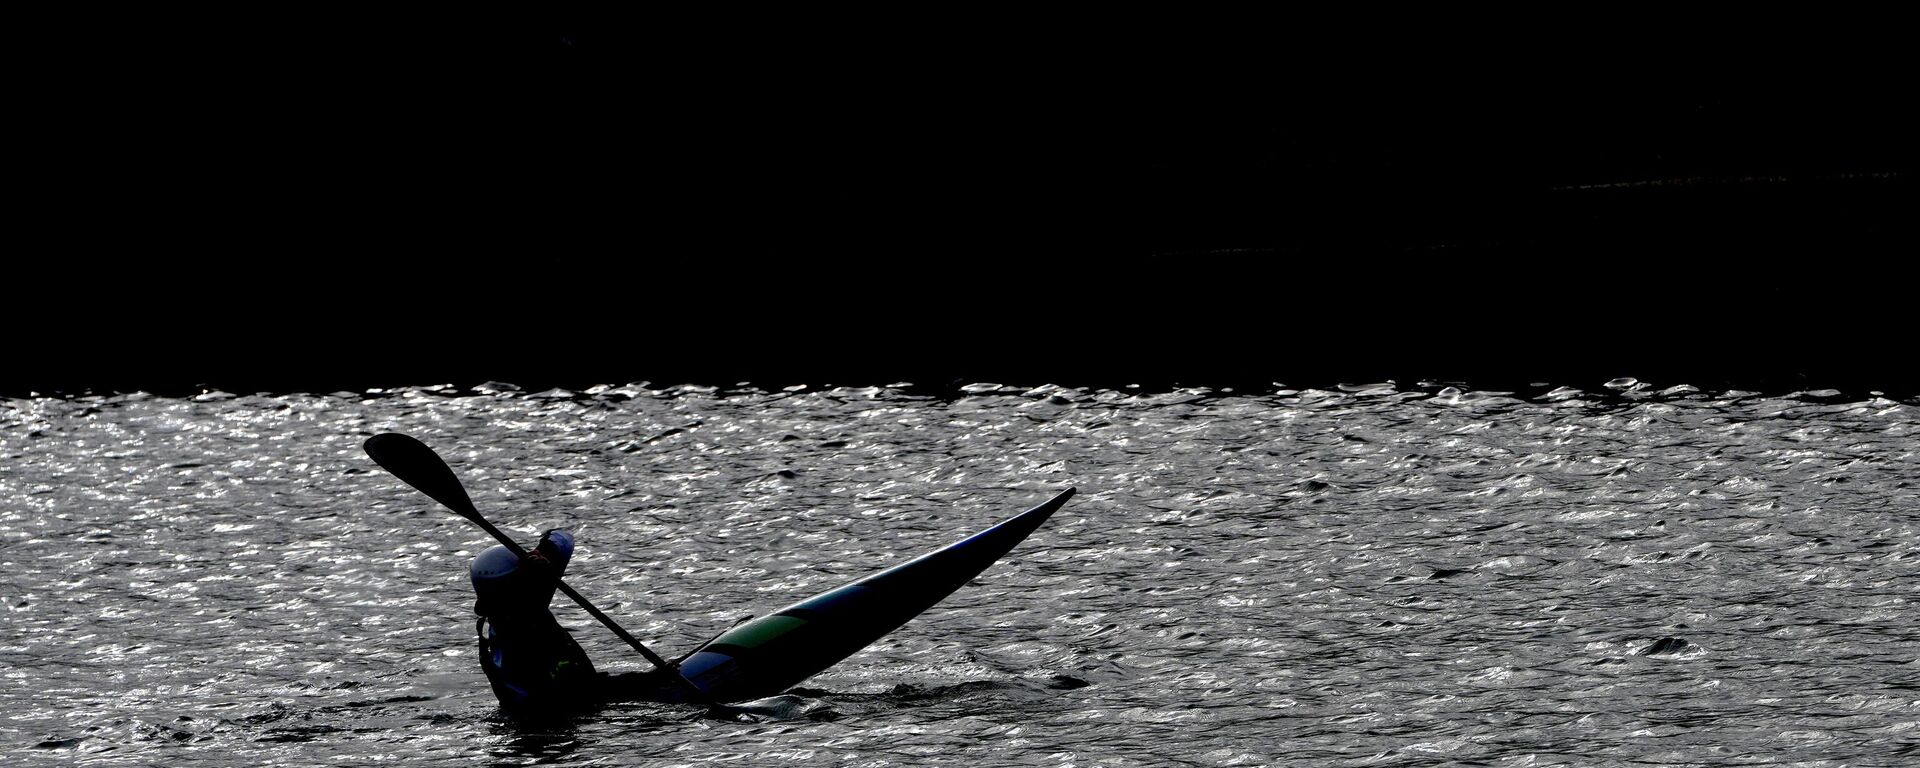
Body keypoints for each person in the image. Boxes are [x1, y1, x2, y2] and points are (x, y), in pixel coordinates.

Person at [469, 529, 683, 717]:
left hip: (562, 707)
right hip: (547, 724)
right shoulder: (520, 643)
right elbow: (586, 693)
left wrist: (542, 555)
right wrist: (650, 681)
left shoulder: (522, 608)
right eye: (525, 581)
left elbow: (563, 537)